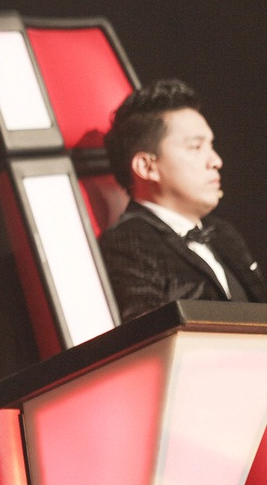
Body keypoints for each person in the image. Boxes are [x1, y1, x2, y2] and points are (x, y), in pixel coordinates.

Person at [99, 78, 266, 322]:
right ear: (146, 167)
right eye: (196, 147)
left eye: (211, 146)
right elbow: (154, 339)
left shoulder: (223, 233)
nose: (216, 161)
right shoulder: (125, 244)